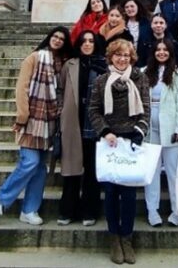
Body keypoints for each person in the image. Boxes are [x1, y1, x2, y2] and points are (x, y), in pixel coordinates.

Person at [0, 26, 71, 227]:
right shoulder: (34, 58)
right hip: (32, 119)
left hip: (50, 122)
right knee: (30, 163)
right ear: (49, 38)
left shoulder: (62, 64)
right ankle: (0, 197)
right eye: (55, 36)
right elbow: (22, 87)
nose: (57, 40)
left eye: (61, 38)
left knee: (40, 168)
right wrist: (22, 116)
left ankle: (29, 209)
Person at [90, 38, 152, 264]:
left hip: (131, 141)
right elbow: (94, 109)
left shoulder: (140, 77)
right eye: (118, 55)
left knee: (128, 196)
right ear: (111, 57)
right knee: (110, 195)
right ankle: (113, 238)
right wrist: (105, 131)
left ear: (131, 57)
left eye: (126, 55)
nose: (122, 58)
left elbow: (146, 108)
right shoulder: (101, 80)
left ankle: (127, 237)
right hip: (110, 142)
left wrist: (139, 131)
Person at [57, 31, 108, 226]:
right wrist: (62, 109)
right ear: (78, 44)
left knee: (91, 171)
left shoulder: (103, 65)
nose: (87, 44)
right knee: (71, 170)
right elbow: (60, 89)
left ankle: (89, 211)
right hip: (73, 120)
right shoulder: (69, 65)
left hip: (94, 123)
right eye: (84, 41)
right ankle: (67, 210)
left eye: (91, 41)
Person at [142, 39, 178, 227]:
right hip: (149, 128)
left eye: (165, 50)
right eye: (158, 49)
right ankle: (152, 210)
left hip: (171, 128)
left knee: (173, 172)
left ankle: (177, 209)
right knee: (151, 173)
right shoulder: (144, 72)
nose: (161, 53)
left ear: (171, 52)